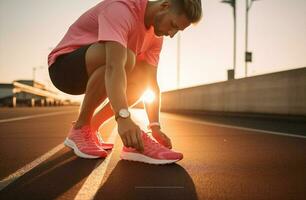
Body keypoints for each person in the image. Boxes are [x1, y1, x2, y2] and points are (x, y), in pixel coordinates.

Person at [48, 0, 202, 164]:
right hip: (64, 68)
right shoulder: (122, 9)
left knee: (141, 78)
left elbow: (151, 83)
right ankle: (80, 127)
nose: (172, 34)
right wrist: (123, 118)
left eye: (178, 30)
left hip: (100, 68)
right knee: (125, 58)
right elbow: (114, 67)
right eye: (173, 25)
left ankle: (92, 128)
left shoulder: (156, 37)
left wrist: (155, 127)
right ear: (164, 6)